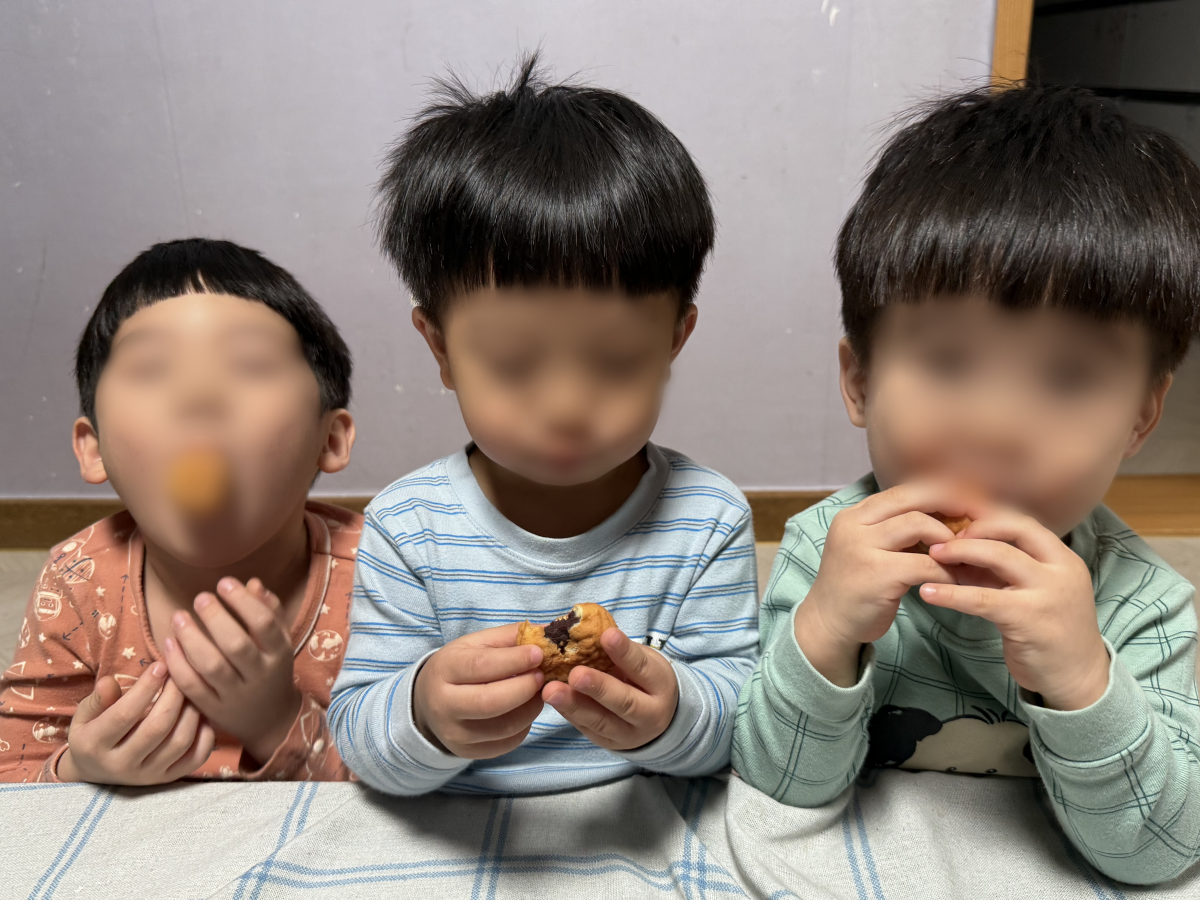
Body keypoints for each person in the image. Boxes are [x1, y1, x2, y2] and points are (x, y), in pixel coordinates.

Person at [732, 85, 1200, 885]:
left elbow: (1160, 852)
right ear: (860, 382)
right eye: (948, 362)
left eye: (1068, 377)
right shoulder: (825, 551)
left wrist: (1084, 679)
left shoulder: (1142, 603)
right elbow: (777, 789)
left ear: (1140, 417)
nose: (996, 427)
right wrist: (828, 632)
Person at [329, 56, 760, 796]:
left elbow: (744, 722)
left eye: (617, 361)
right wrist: (424, 712)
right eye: (514, 363)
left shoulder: (706, 517)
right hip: (456, 826)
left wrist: (675, 714)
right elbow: (359, 737)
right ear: (441, 349)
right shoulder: (409, 527)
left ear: (673, 342)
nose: (566, 407)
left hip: (646, 818)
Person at [0, 238, 361, 784]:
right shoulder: (78, 578)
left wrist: (277, 720)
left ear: (329, 440)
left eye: (251, 365)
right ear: (94, 449)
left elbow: (437, 777)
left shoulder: (381, 570)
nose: (198, 395)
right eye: (150, 369)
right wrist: (78, 768)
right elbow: (14, 768)